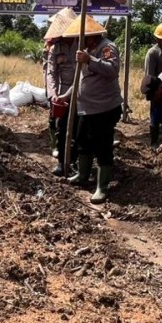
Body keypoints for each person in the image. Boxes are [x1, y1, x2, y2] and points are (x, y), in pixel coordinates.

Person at [61, 15, 121, 204]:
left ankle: (102, 187)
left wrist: (90, 60)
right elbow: (80, 79)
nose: (81, 41)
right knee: (82, 141)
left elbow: (113, 70)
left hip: (104, 108)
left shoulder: (107, 48)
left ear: (92, 35)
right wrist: (66, 95)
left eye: (84, 37)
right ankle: (83, 175)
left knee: (103, 146)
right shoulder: (86, 50)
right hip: (86, 109)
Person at [43, 8, 78, 175]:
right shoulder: (55, 48)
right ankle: (61, 163)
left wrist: (69, 94)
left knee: (77, 129)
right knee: (61, 128)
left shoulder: (83, 45)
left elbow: (83, 75)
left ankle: (75, 162)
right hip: (61, 94)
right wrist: (54, 94)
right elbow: (51, 73)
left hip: (80, 92)